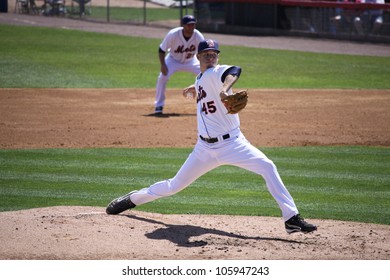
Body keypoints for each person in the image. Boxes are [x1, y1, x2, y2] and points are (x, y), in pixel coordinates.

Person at [107, 39, 317, 234]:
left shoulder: (218, 72)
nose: (210, 57)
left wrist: (225, 89)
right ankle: (132, 199)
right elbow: (203, 81)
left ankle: (291, 218)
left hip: (233, 145)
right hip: (204, 150)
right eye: (206, 54)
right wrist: (195, 86)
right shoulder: (201, 78)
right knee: (173, 186)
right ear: (197, 57)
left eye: (213, 54)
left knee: (267, 166)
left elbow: (235, 70)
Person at [154, 15, 205, 115]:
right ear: (183, 25)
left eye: (193, 25)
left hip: (191, 61)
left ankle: (206, 105)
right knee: (162, 77)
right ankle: (158, 105)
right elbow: (162, 49)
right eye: (189, 25)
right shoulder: (173, 34)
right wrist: (163, 65)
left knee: (207, 75)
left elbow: (203, 51)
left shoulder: (198, 35)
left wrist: (204, 66)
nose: (191, 27)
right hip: (173, 60)